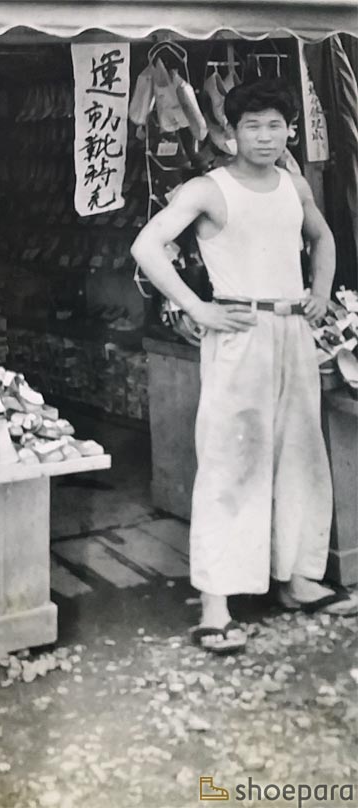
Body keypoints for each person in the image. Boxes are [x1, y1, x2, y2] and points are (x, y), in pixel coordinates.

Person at [131, 78, 358, 654]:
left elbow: (323, 236)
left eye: (274, 125)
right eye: (251, 125)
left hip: (293, 331)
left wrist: (321, 290)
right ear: (230, 133)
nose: (264, 135)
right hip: (238, 331)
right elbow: (146, 247)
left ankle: (298, 579)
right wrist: (198, 307)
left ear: (289, 130)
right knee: (231, 461)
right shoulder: (209, 188)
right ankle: (216, 605)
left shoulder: (292, 183)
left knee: (301, 453)